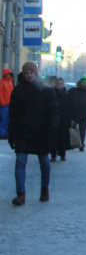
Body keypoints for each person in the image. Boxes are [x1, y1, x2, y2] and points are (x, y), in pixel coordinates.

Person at [8, 61, 59, 205]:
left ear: (36, 74)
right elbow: (13, 114)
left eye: (31, 73)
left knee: (44, 162)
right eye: (26, 73)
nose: (28, 75)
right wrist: (11, 133)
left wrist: (52, 128)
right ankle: (20, 194)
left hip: (41, 132)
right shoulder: (17, 91)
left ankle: (44, 190)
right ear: (23, 74)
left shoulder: (47, 90)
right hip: (23, 132)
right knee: (20, 162)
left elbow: (54, 112)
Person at [67, 77, 86, 151]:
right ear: (80, 83)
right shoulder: (73, 91)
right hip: (72, 114)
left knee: (82, 131)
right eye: (83, 83)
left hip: (83, 115)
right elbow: (66, 101)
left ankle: (81, 144)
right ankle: (74, 144)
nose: (85, 84)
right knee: (73, 130)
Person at [51, 77, 76, 161]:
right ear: (55, 84)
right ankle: (53, 155)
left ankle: (62, 155)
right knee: (53, 138)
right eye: (58, 84)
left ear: (63, 85)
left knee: (63, 138)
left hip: (65, 120)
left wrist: (72, 118)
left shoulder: (67, 95)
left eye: (61, 84)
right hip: (53, 120)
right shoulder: (52, 94)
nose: (59, 85)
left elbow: (72, 108)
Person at [0, 68, 13, 139]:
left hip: (8, 104)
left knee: (7, 119)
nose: (8, 75)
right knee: (4, 119)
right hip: (4, 104)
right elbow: (0, 93)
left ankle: (5, 133)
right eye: (7, 74)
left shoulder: (10, 82)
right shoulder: (2, 82)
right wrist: (2, 102)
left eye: (9, 74)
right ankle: (2, 133)